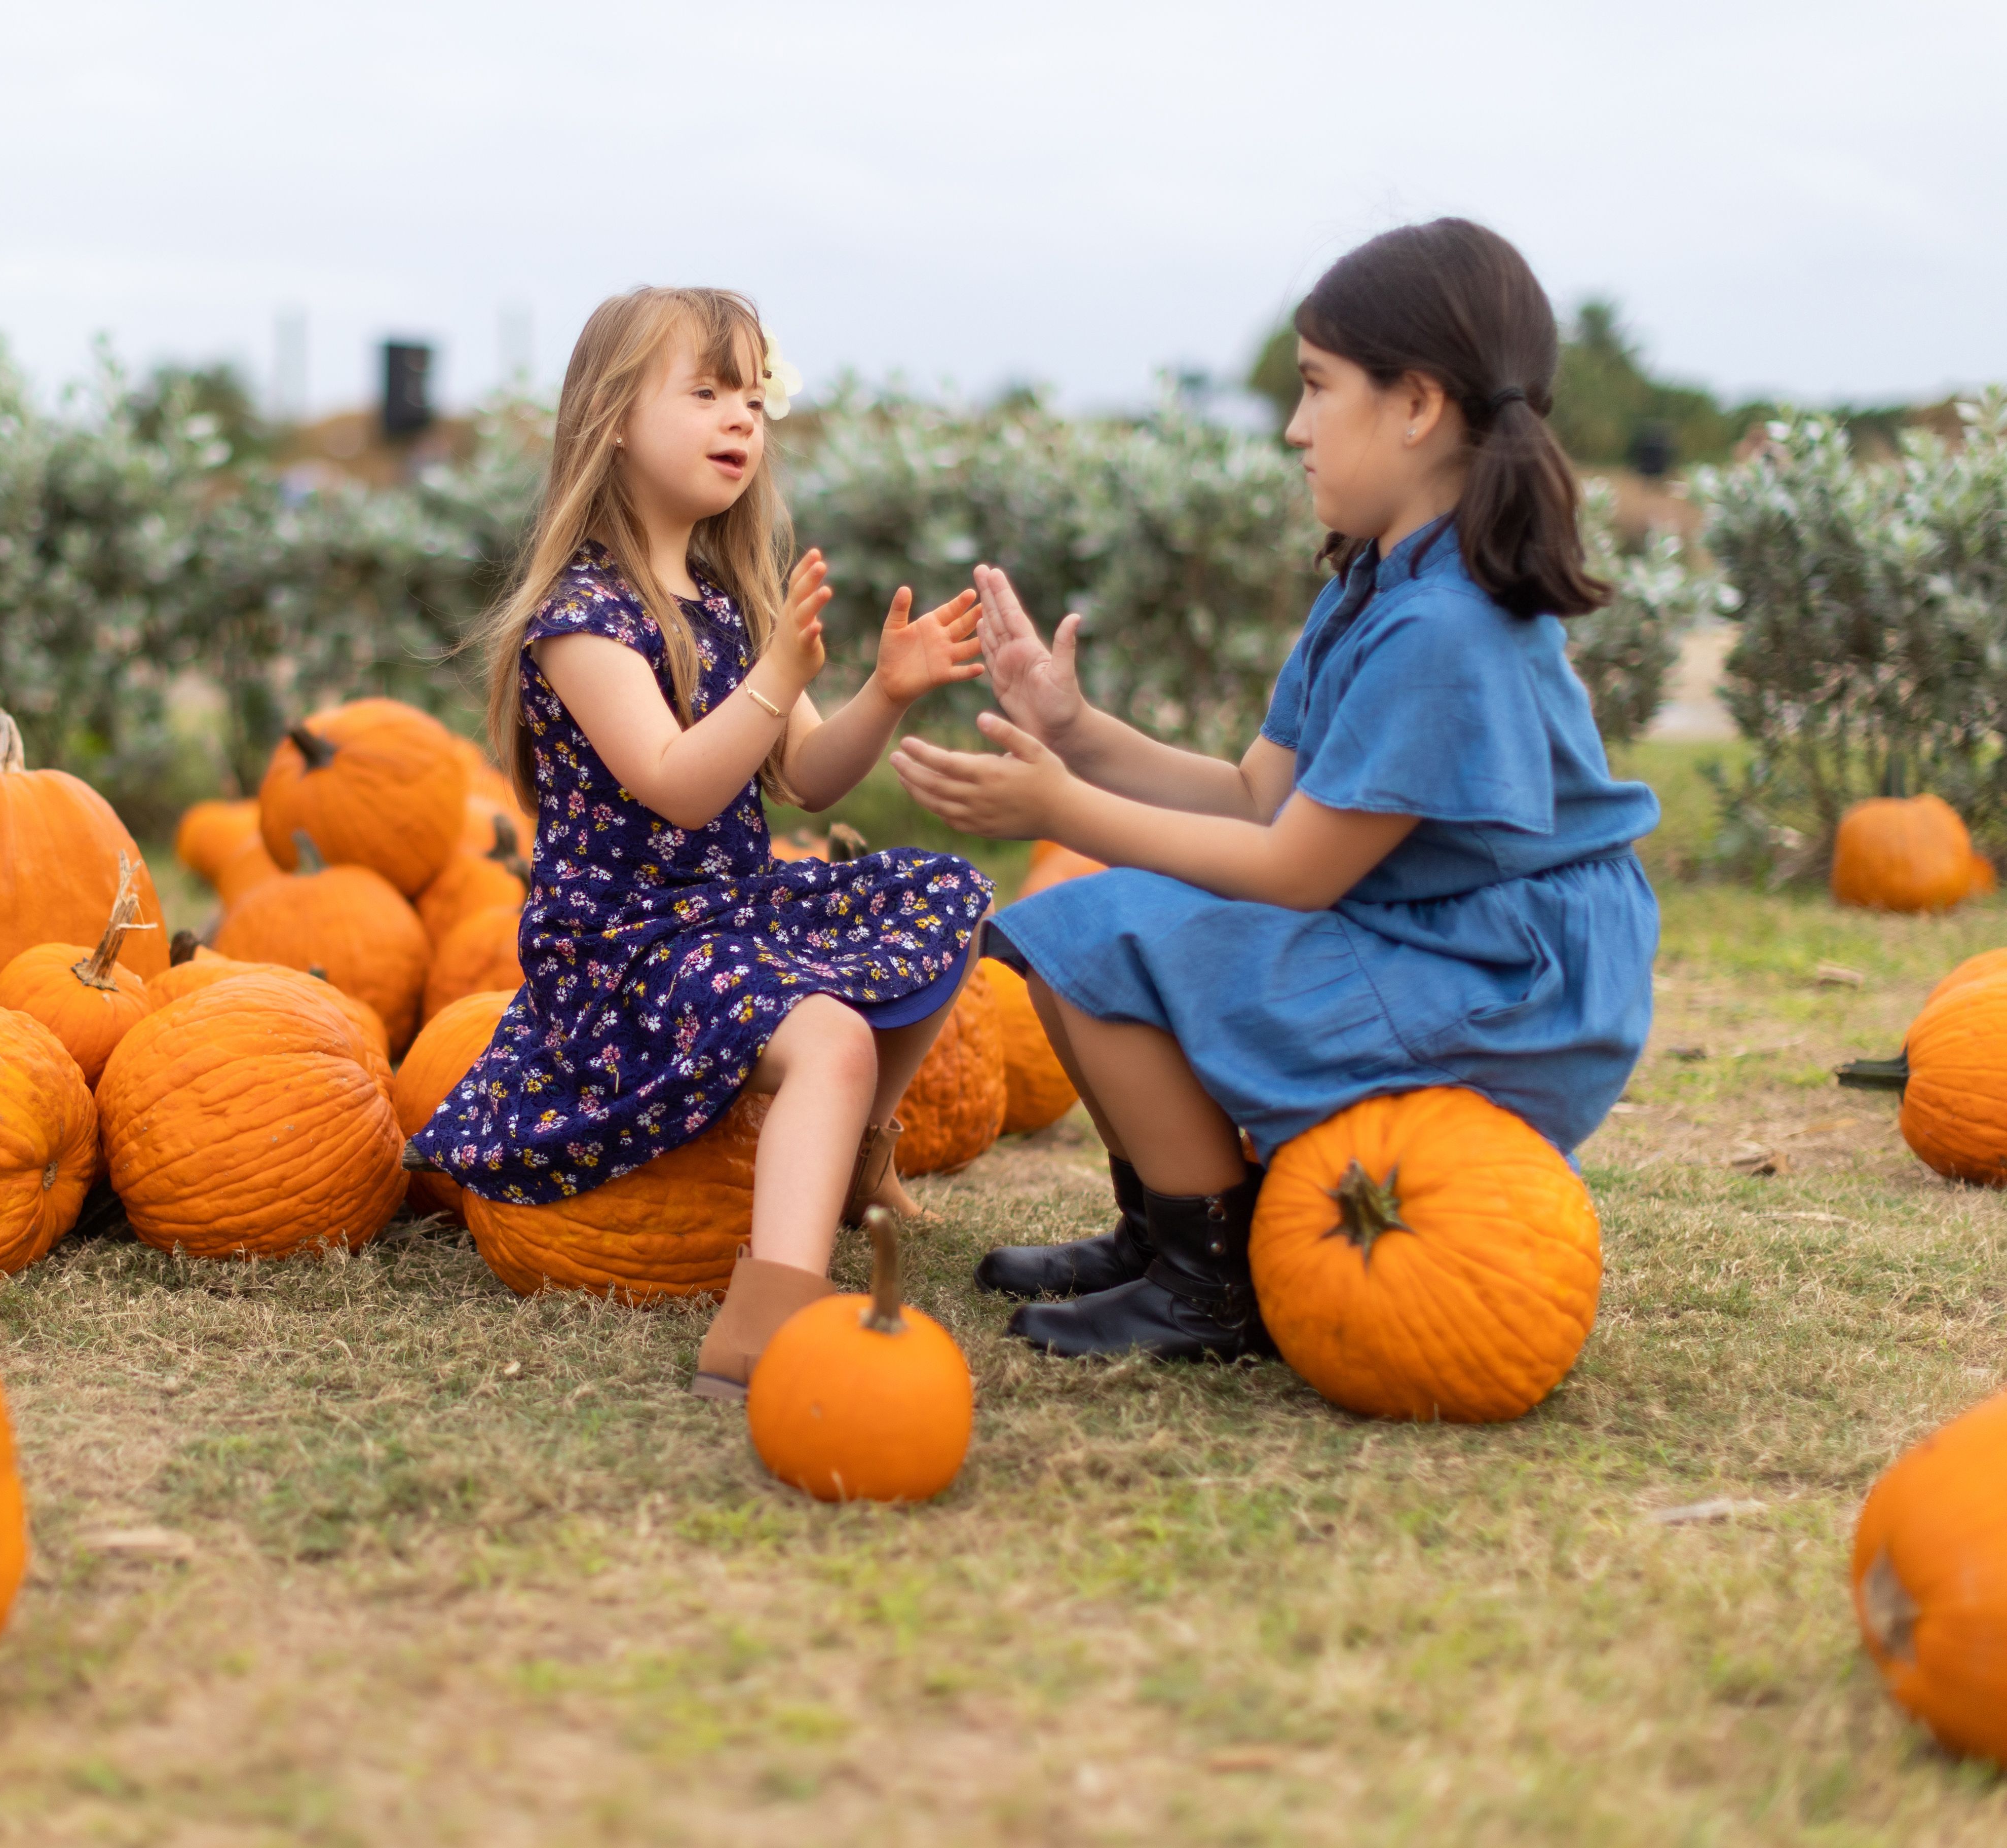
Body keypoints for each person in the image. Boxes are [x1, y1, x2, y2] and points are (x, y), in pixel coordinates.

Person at [892, 218, 1660, 1364]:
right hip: (1432, 936)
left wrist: (1060, 809)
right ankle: (1168, 1230)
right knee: (1072, 933)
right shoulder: (1374, 578)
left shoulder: (1446, 626)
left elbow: (1297, 870)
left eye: (1316, 389)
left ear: (1417, 406)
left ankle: (1216, 1285)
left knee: (1099, 936)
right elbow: (1257, 796)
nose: (1295, 429)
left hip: (1509, 983)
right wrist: (1077, 730)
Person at [411, 286, 992, 1401]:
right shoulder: (584, 620)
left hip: (728, 911)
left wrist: (882, 691)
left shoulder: (730, 598)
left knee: (945, 895)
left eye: (756, 398)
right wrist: (778, 678)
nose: (742, 419)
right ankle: (767, 1314)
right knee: (828, 1038)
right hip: (622, 946)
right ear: (614, 419)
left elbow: (810, 779)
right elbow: (680, 789)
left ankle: (858, 1161)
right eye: (709, 392)